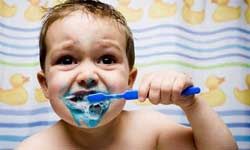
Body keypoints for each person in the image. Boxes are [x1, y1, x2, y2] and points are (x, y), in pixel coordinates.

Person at [17, 0, 237, 149]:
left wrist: (192, 105)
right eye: (67, 60)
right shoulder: (34, 147)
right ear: (45, 85)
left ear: (129, 81)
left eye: (106, 60)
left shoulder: (151, 130)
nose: (88, 75)